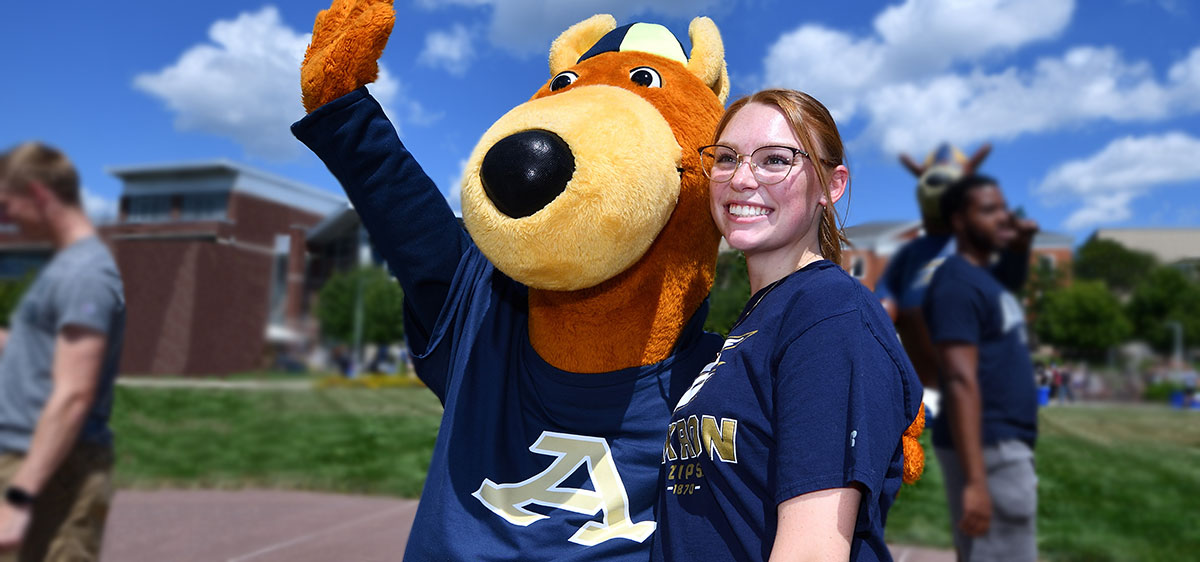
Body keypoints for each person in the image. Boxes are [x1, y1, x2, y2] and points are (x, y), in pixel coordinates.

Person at [654, 89, 925, 562]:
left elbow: (814, 550)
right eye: (726, 158)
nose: (741, 179)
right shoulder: (762, 318)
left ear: (831, 185)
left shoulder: (829, 315)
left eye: (775, 160)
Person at [0, 142, 126, 562]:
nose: (5, 217)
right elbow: (39, 353)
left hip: (55, 471)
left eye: (6, 203)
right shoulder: (65, 268)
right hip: (35, 460)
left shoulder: (85, 273)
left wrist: (19, 497)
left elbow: (74, 394)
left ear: (38, 194)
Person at [924, 174, 1038, 562]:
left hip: (999, 445)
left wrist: (1020, 245)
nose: (1003, 218)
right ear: (959, 220)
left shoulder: (984, 278)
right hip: (990, 448)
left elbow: (1014, 277)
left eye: (1003, 208)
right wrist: (976, 481)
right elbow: (958, 379)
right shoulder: (956, 283)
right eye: (989, 210)